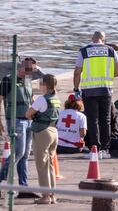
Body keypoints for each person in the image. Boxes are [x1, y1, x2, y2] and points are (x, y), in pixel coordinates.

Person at [73, 31, 118, 159]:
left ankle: (95, 149)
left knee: (92, 120)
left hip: (89, 91)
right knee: (105, 119)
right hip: (106, 89)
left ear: (92, 38)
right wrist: (106, 76)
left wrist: (76, 88)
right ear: (103, 40)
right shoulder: (111, 51)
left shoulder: (84, 51)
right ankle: (105, 150)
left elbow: (77, 72)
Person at [0, 59, 37, 198]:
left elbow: (31, 100)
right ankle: (1, 180)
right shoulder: (8, 80)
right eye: (28, 69)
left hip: (29, 121)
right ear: (21, 67)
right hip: (16, 121)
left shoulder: (28, 80)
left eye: (32, 69)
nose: (30, 72)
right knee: (18, 153)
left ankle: (24, 187)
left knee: (25, 155)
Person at [25, 74, 61, 204]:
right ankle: (52, 195)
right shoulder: (56, 98)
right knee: (50, 165)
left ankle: (45, 196)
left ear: (45, 85)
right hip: (54, 132)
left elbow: (28, 114)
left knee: (42, 166)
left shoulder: (42, 99)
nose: (40, 86)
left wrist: (33, 108)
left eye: (41, 84)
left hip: (42, 132)